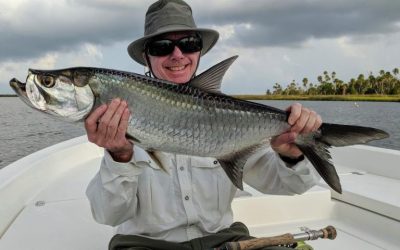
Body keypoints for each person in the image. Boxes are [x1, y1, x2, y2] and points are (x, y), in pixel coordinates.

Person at [85, 0, 321, 249]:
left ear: (199, 52)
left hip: (225, 241)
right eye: (162, 46)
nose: (177, 55)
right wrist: (119, 156)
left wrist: (292, 155)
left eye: (188, 44)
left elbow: (293, 185)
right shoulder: (120, 116)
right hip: (147, 245)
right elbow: (108, 215)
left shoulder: (233, 118)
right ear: (147, 57)